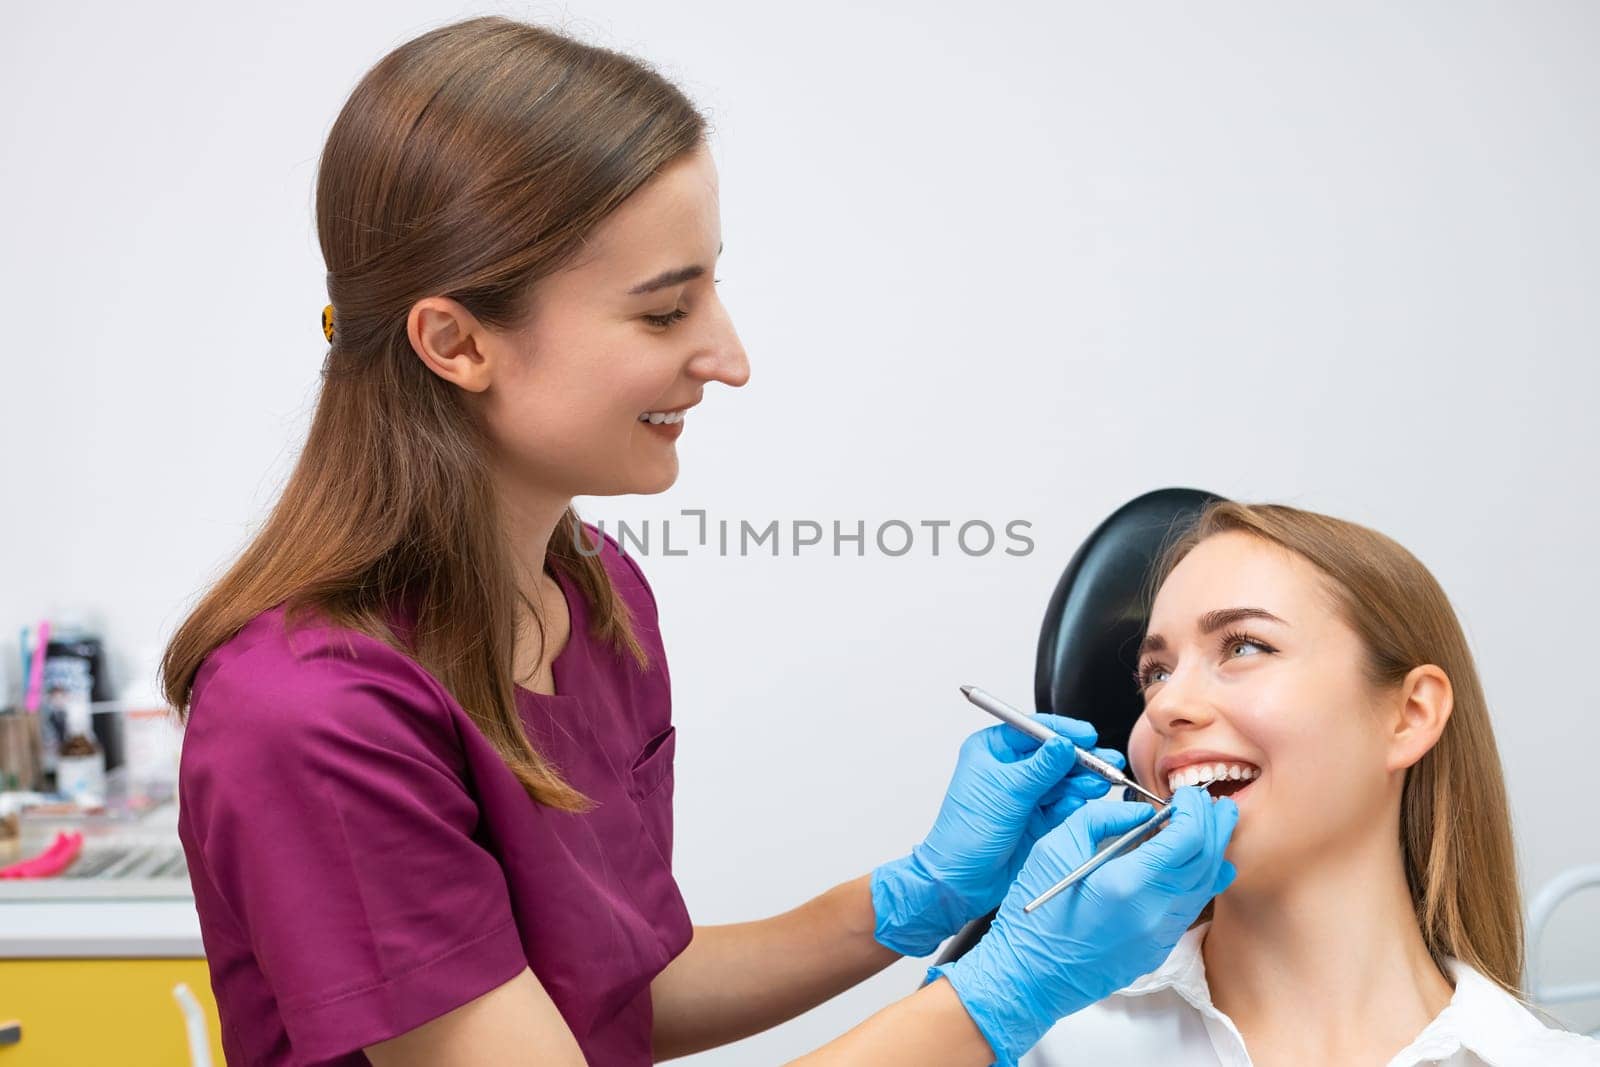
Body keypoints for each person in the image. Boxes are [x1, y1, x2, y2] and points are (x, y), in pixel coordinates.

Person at [160, 16, 1239, 1066]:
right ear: (457, 341)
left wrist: (918, 894)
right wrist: (1009, 984)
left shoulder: (592, 596)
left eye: (711, 285)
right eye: (664, 312)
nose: (728, 356)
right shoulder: (312, 715)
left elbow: (616, 999)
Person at [1024, 501, 1600, 1066]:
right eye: (1156, 673)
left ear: (1411, 715)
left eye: (1244, 646)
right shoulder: (1039, 1040)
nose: (1165, 705)